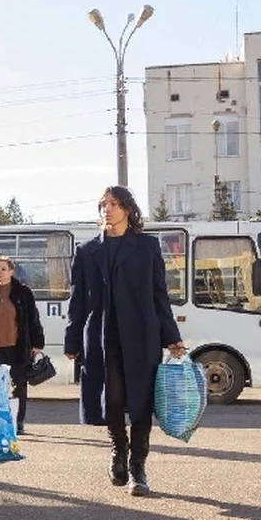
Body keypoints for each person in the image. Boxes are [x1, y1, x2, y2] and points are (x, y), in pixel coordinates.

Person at [63, 185, 185, 497]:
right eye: (103, 204)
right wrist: (72, 340)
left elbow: (160, 295)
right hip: (103, 336)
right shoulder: (88, 251)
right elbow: (77, 300)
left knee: (141, 402)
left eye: (114, 204)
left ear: (128, 209)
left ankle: (138, 468)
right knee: (113, 398)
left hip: (142, 334)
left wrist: (171, 336)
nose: (108, 209)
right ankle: (118, 449)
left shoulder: (146, 247)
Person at [0, 256, 44, 435]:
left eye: (3, 269)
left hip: (17, 347)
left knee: (19, 386)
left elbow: (33, 319)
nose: (0, 273)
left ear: (11, 271)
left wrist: (37, 343)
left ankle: (17, 421)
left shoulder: (23, 293)